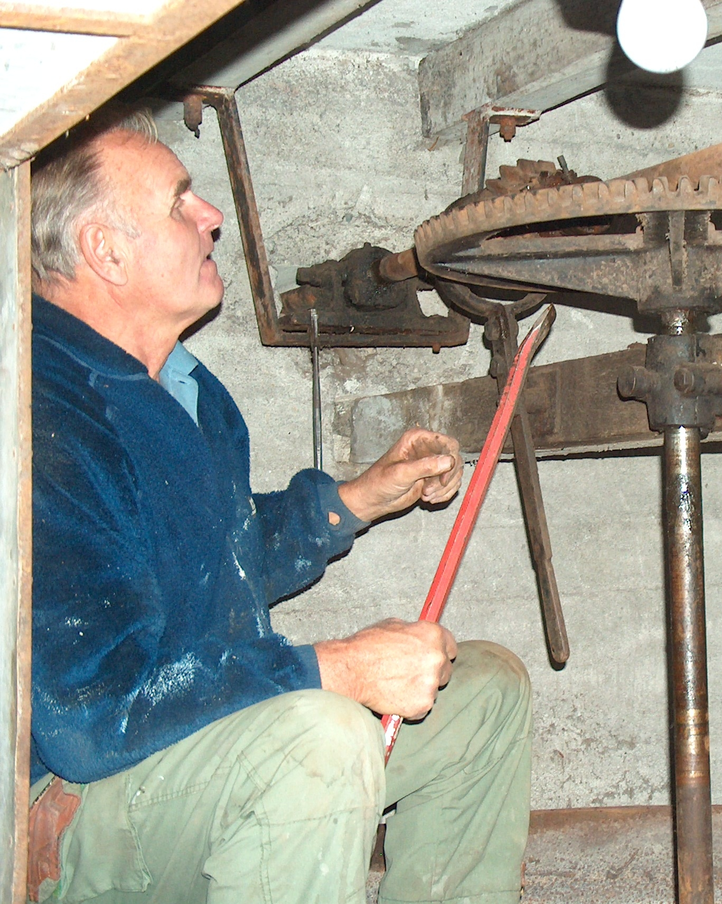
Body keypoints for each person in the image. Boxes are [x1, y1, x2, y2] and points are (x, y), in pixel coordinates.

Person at [26, 106, 532, 904]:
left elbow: (212, 565)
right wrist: (336, 668)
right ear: (105, 251)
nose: (210, 216)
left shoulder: (188, 392)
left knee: (484, 693)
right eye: (179, 201)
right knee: (318, 740)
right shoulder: (39, 410)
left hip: (202, 742)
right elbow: (93, 712)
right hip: (89, 799)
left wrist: (357, 500)